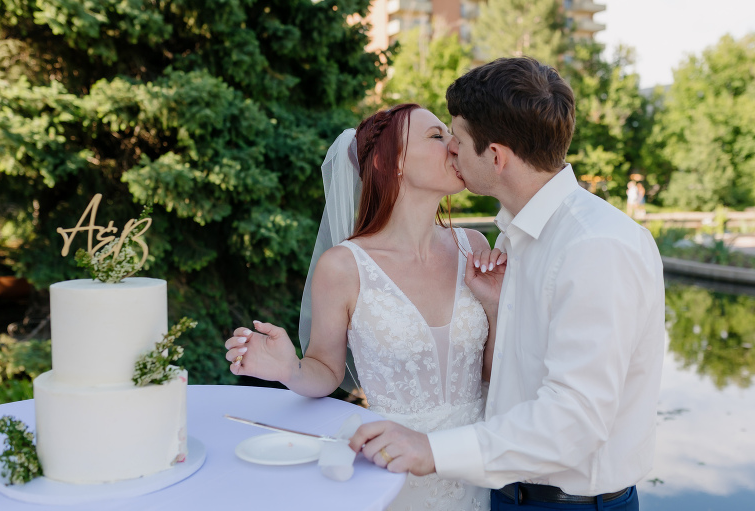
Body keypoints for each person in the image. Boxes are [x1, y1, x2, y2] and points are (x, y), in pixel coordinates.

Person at [349, 57, 665, 511]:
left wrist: (433, 450)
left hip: (572, 504)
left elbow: (574, 420)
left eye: (456, 140)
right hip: (502, 494)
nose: (451, 151)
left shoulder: (596, 246)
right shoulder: (515, 237)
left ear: (495, 156)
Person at [225, 104, 507, 511]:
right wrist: (288, 368)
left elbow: (490, 375)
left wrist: (495, 308)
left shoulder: (475, 249)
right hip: (394, 477)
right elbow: (325, 371)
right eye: (436, 136)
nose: (454, 146)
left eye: (451, 135)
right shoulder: (343, 267)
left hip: (476, 467)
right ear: (388, 161)